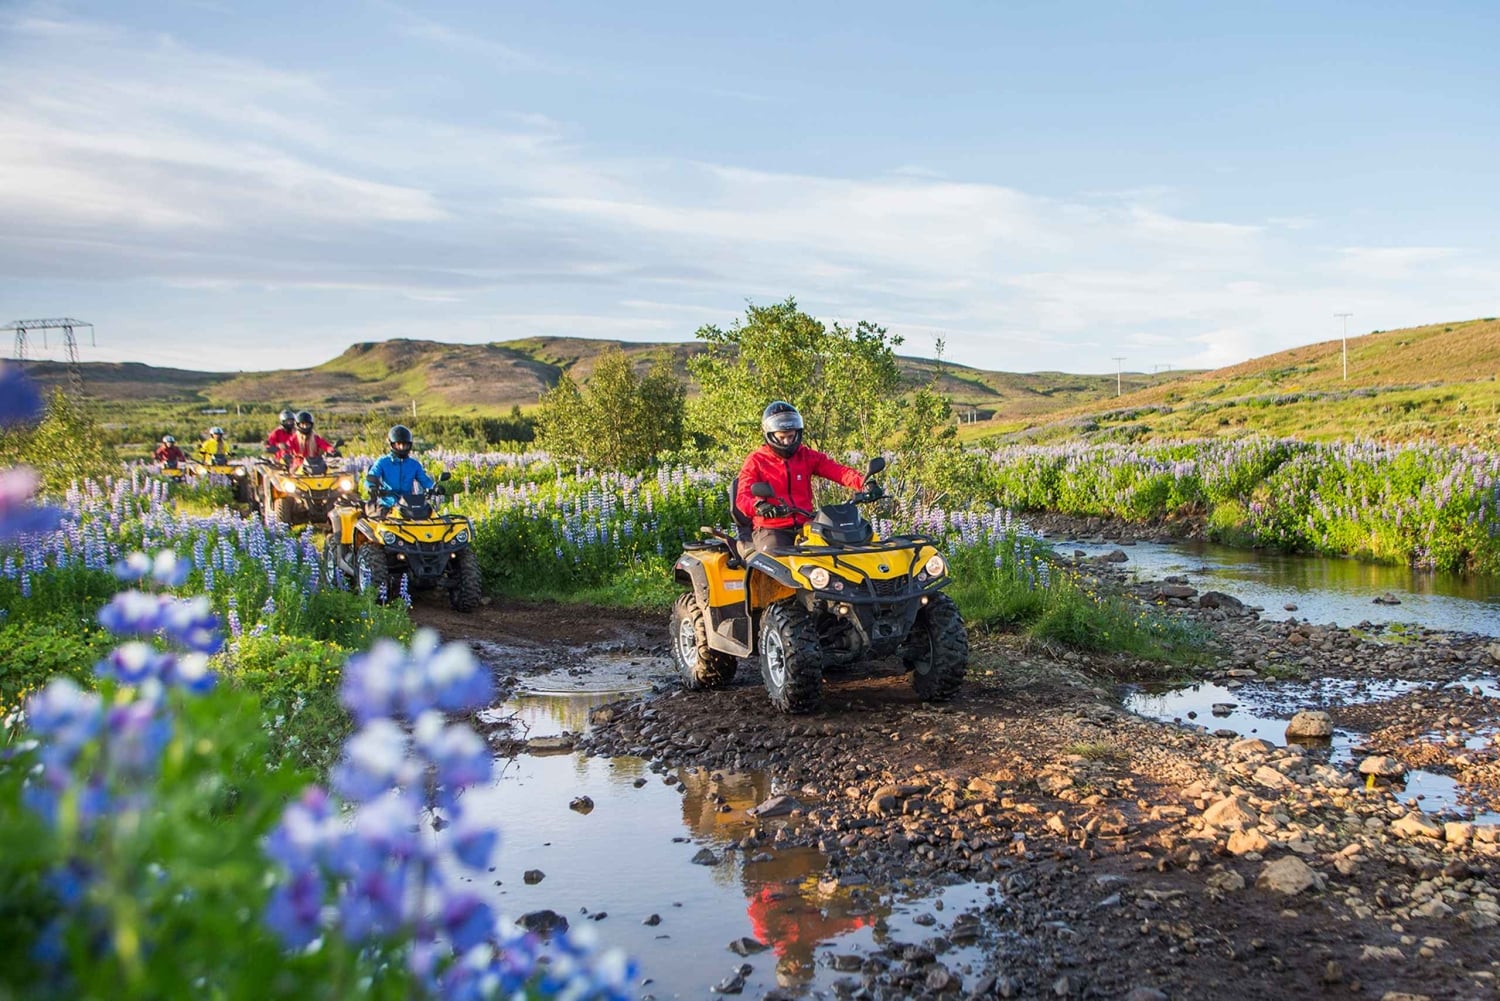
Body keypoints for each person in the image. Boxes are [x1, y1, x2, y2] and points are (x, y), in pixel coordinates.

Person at [735, 401, 865, 553]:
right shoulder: (756, 460)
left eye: (791, 436)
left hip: (808, 524)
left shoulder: (806, 456)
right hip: (772, 528)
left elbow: (838, 471)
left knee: (838, 555)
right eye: (782, 437)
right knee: (775, 560)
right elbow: (742, 497)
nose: (787, 442)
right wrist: (758, 506)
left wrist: (863, 483)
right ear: (770, 435)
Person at [364, 425, 434, 512]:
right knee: (380, 521)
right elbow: (371, 476)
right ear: (392, 444)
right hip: (388, 504)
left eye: (405, 445)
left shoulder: (414, 465)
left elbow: (425, 481)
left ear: (410, 445)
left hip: (408, 505)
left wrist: (434, 488)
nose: (402, 447)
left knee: (427, 518)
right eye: (398, 444)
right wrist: (372, 487)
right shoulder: (383, 462)